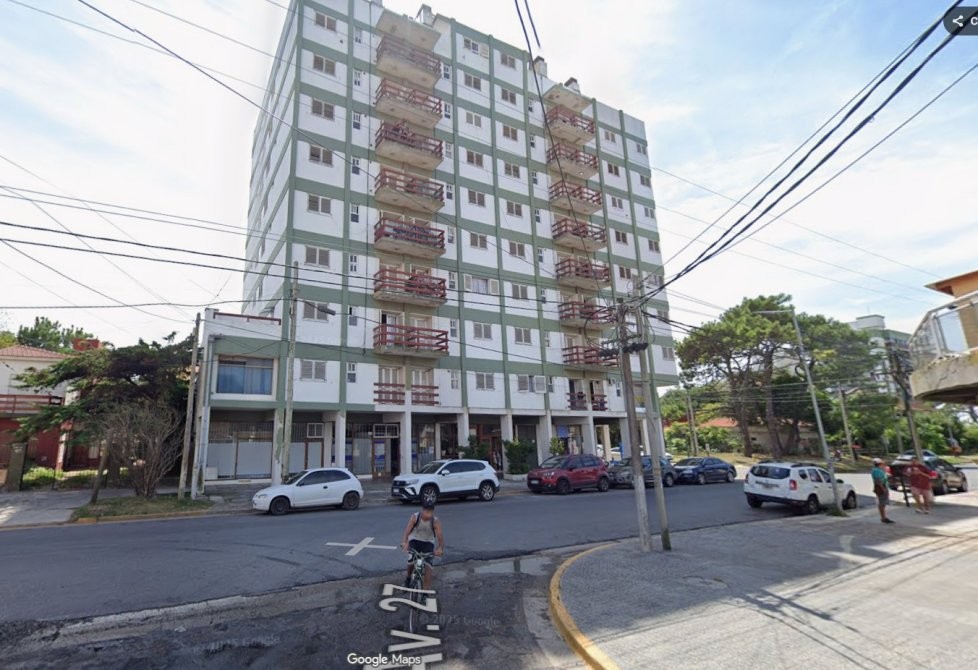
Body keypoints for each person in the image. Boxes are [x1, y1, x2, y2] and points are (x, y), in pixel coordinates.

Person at [400, 499, 444, 590]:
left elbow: (440, 537)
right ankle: (408, 579)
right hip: (414, 540)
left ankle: (425, 593)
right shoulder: (415, 517)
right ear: (422, 510)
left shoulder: (435, 521)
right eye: (427, 512)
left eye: (431, 512)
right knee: (411, 560)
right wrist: (404, 542)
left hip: (428, 542)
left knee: (428, 567)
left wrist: (440, 548)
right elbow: (407, 531)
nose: (429, 514)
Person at [871, 457, 895, 524]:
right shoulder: (877, 471)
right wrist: (883, 489)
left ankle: (883, 516)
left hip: (882, 486)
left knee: (883, 503)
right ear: (880, 464)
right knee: (882, 503)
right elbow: (878, 481)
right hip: (881, 487)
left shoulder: (878, 470)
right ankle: (883, 517)